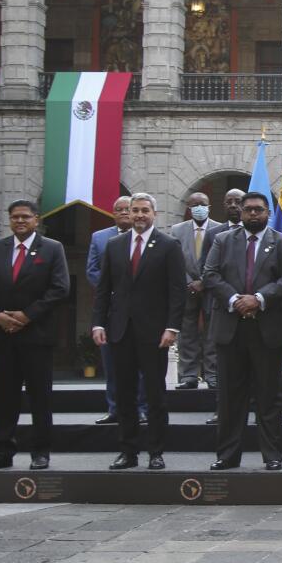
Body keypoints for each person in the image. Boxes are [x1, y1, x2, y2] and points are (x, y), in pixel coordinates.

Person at [201, 192, 282, 471]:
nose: (253, 214)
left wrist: (258, 298)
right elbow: (210, 275)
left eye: (259, 210)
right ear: (240, 213)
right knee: (230, 397)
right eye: (248, 210)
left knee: (270, 396)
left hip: (268, 330)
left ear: (268, 212)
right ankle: (227, 456)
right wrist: (235, 300)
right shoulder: (222, 240)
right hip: (230, 329)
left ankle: (272, 456)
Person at [0, 200, 70, 470]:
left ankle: (41, 452)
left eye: (25, 217)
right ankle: (2, 452)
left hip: (36, 335)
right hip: (2, 334)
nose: (20, 221)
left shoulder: (52, 249)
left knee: (40, 397)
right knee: (5, 397)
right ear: (9, 220)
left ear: (36, 219)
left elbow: (60, 288)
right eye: (15, 217)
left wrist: (27, 315)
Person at [91, 193, 185, 471]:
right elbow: (104, 290)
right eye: (135, 210)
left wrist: (172, 327)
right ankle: (127, 452)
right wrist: (98, 323)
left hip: (155, 333)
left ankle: (156, 452)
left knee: (155, 396)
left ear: (154, 214)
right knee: (124, 395)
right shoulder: (114, 245)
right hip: (120, 331)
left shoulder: (168, 245)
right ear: (128, 214)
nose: (140, 215)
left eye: (145, 210)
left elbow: (177, 291)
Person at [87, 195, 146, 426]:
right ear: (113, 213)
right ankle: (114, 408)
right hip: (111, 309)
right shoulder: (100, 238)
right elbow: (92, 271)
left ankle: (140, 408)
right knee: (112, 364)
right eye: (119, 209)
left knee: (140, 365)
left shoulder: (145, 240)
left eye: (127, 209)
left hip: (140, 310)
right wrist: (112, 291)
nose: (123, 213)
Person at [199, 188, 245, 426]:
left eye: (239, 201)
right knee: (223, 365)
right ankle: (223, 410)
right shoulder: (214, 234)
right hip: (223, 307)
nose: (234, 206)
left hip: (253, 310)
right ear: (223, 205)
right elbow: (207, 271)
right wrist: (231, 297)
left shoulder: (261, 234)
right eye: (230, 202)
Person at [171, 192, 221, 390]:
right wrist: (190, 282)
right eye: (195, 205)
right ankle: (189, 376)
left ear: (209, 206)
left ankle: (213, 374)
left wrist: (204, 282)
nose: (199, 208)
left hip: (211, 289)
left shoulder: (220, 229)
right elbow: (175, 261)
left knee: (212, 332)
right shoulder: (177, 230)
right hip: (187, 288)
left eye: (203, 204)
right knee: (187, 332)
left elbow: (220, 261)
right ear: (188, 209)